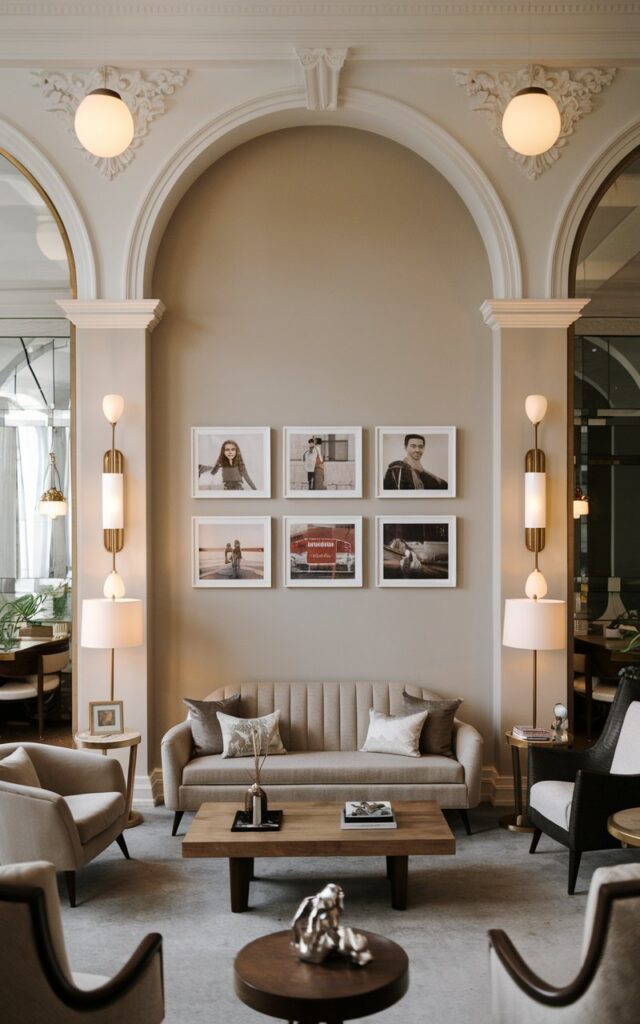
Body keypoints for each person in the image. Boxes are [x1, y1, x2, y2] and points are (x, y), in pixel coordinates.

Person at [383, 433, 447, 490]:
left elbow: (444, 486)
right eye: (413, 446)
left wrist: (421, 472)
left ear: (424, 449)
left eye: (421, 447)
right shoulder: (396, 468)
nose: (417, 450)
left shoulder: (425, 473)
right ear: (405, 447)